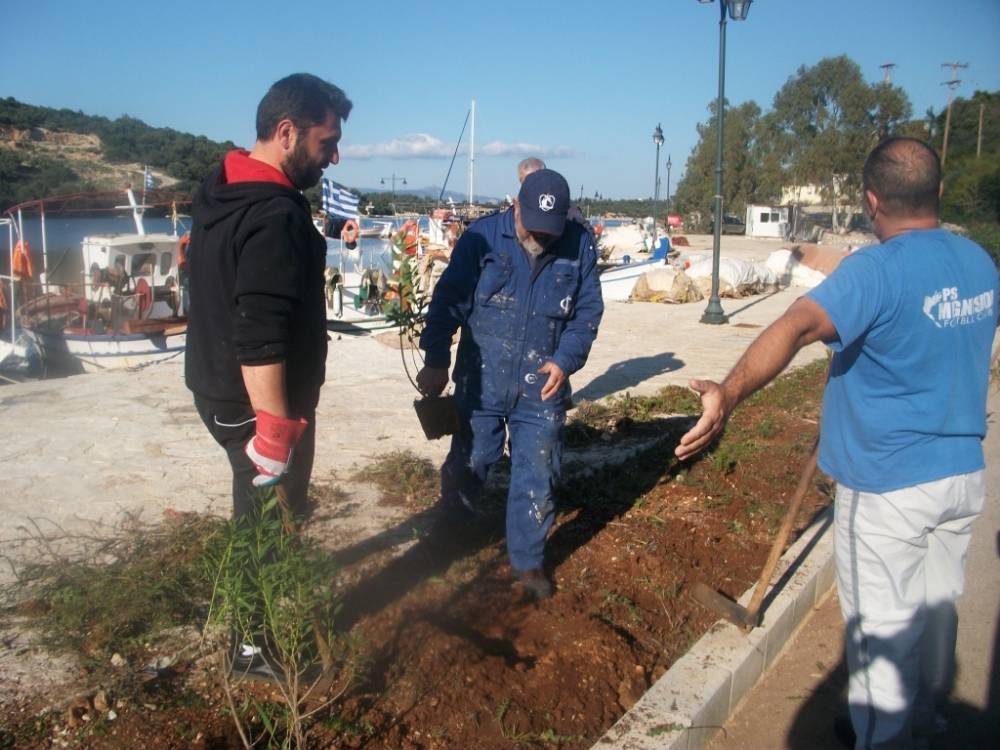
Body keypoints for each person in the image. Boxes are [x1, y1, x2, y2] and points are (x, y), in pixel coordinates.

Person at [675, 137, 998, 749]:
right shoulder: (979, 262)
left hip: (886, 489)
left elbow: (795, 325)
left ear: (872, 201)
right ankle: (926, 722)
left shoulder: (874, 271)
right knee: (935, 618)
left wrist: (727, 391)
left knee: (881, 641)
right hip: (960, 476)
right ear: (940, 192)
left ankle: (884, 736)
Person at [184, 73, 352, 675]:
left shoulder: (224, 190)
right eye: (326, 142)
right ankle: (250, 649)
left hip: (217, 386)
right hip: (253, 402)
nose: (334, 155)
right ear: (287, 132)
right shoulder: (273, 214)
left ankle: (250, 633)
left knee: (261, 517)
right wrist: (274, 434)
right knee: (262, 524)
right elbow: (258, 334)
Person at [416, 169, 604, 600]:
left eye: (550, 231)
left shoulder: (578, 245)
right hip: (481, 379)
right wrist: (437, 359)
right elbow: (449, 300)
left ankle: (528, 560)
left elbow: (587, 313)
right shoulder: (482, 239)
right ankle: (447, 539)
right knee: (471, 459)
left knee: (538, 469)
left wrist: (565, 360)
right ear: (515, 205)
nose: (541, 238)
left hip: (542, 384)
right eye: (533, 227)